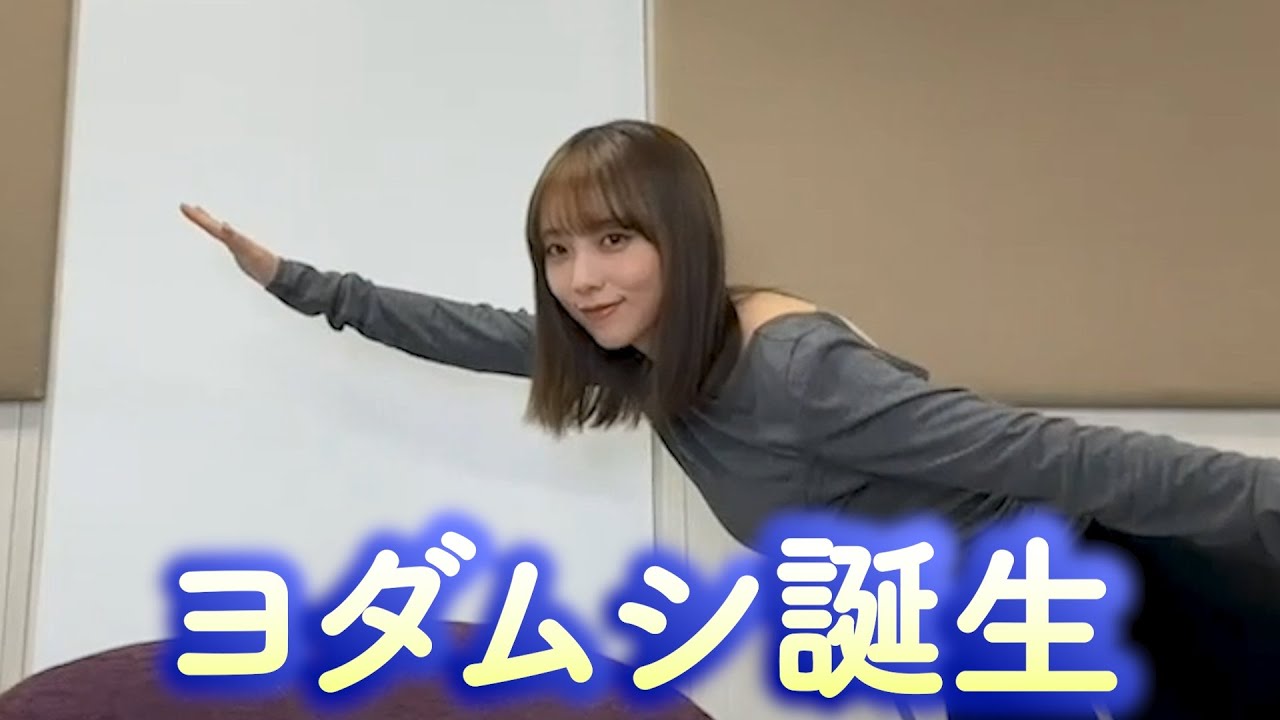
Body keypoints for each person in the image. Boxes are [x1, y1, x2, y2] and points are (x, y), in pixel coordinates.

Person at [181, 119, 1280, 717]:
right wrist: (299, 284)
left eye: (614, 240)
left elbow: (1065, 457)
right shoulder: (644, 355)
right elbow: (469, 332)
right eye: (557, 250)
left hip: (1110, 604)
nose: (579, 278)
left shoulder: (797, 371)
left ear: (684, 239)